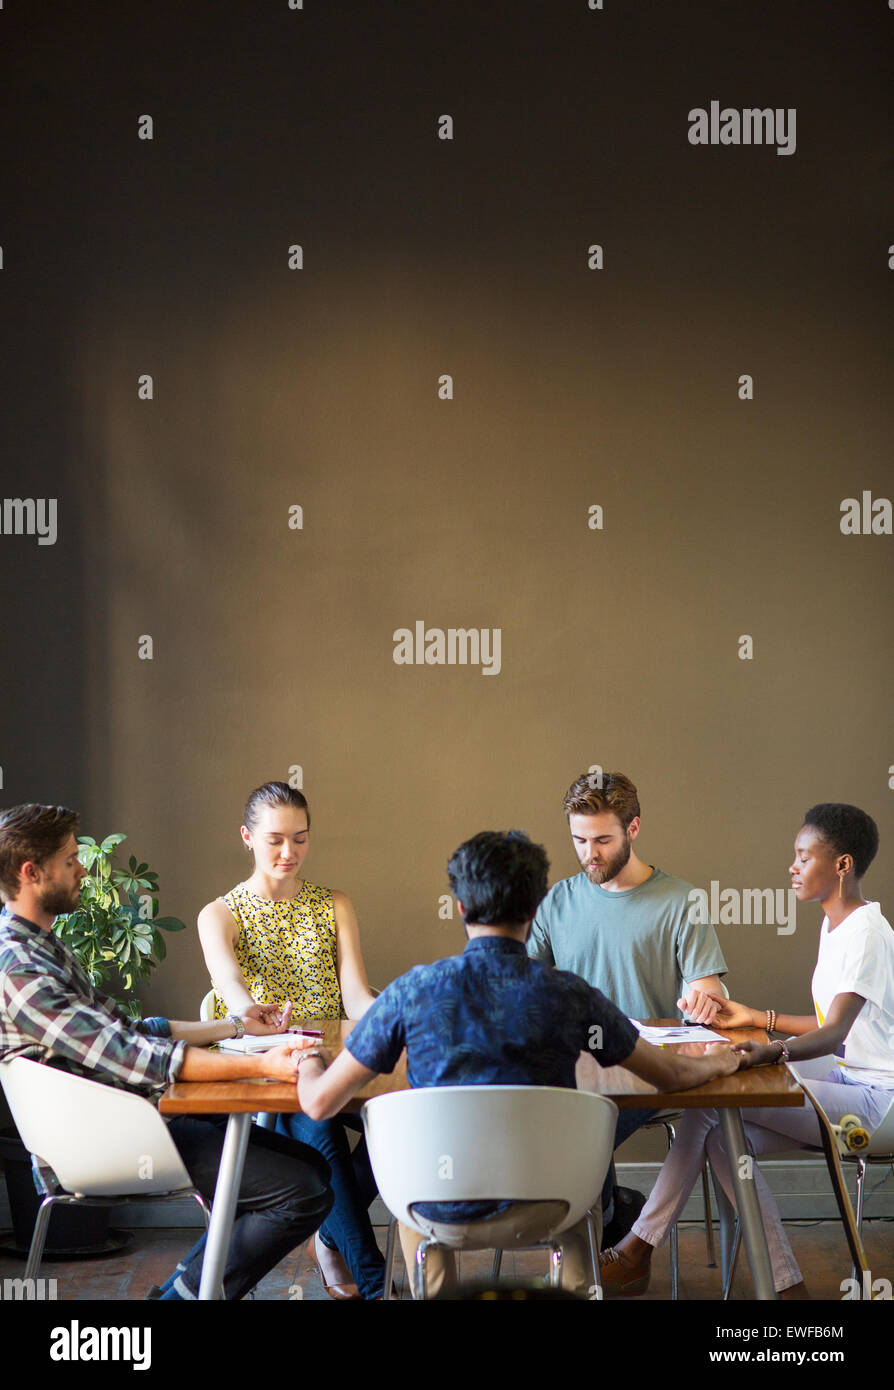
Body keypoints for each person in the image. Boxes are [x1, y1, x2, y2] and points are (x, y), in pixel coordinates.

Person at [291, 829, 741, 1298]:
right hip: (552, 1205)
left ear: (461, 908)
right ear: (535, 909)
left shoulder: (412, 992)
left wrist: (308, 1060)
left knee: (420, 1220)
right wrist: (718, 1061)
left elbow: (319, 1105)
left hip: (435, 1207)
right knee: (580, 1204)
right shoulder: (571, 995)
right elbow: (671, 1076)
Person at [0, 802, 332, 1301]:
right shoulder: (18, 969)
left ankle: (178, 1294)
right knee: (300, 1189)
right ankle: (179, 1301)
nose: (83, 868)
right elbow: (135, 1055)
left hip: (137, 1121)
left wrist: (234, 1024)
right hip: (105, 1142)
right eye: (70, 860)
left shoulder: (42, 946)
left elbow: (132, 1028)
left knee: (313, 1169)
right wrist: (261, 1063)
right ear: (31, 873)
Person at [599, 802, 894, 1299]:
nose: (792, 867)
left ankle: (636, 1251)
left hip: (876, 1104)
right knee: (719, 1136)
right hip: (849, 1080)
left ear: (842, 865)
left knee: (719, 1104)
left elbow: (834, 1032)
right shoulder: (839, 924)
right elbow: (829, 1023)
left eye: (803, 856)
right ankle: (784, 1286)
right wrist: (756, 1018)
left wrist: (771, 1053)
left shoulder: (866, 933)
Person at [197, 781, 384, 1300]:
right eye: (275, 839)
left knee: (398, 1118)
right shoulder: (220, 915)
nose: (289, 853)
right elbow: (232, 994)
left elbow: (355, 996)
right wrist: (253, 1015)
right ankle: (374, 1282)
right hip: (271, 1064)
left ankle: (329, 1234)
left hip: (336, 1061)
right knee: (316, 1122)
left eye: (300, 839)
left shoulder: (335, 904)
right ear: (246, 838)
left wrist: (394, 1017)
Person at [527, 771, 729, 1239]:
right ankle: (612, 1218)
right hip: (573, 1068)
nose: (589, 854)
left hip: (649, 1070)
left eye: (601, 839)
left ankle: (599, 1242)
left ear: (633, 829)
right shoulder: (556, 901)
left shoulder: (681, 900)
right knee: (560, 1124)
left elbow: (710, 993)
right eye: (578, 840)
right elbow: (524, 987)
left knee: (574, 1136)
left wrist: (705, 1000)